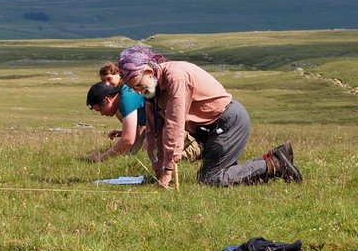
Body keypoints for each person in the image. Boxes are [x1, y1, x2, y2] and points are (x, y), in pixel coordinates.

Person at [117, 45, 301, 189]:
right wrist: (157, 166)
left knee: (210, 180)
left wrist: (168, 169)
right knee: (220, 174)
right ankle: (274, 157)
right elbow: (153, 131)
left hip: (227, 122)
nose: (137, 91)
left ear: (149, 73)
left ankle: (275, 164)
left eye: (137, 85)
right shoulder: (152, 88)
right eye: (133, 88)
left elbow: (174, 123)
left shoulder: (176, 77)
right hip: (209, 129)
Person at [85, 80, 146, 162]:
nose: (102, 114)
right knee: (133, 154)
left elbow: (128, 140)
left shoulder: (126, 99)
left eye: (100, 110)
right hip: (157, 124)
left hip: (164, 123)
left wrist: (101, 158)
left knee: (143, 152)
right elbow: (135, 135)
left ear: (107, 100)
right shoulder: (124, 94)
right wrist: (122, 133)